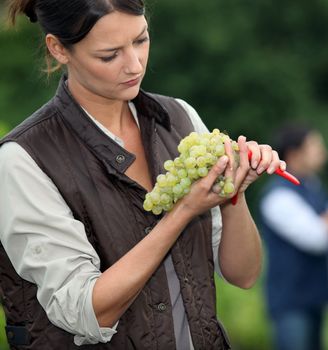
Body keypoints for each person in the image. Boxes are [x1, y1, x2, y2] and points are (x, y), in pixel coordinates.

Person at [0, 1, 286, 349]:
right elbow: (87, 312)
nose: (134, 65)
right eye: (110, 55)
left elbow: (244, 274)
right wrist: (182, 212)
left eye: (141, 40)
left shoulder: (180, 118)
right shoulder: (22, 159)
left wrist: (233, 192)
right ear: (59, 49)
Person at [259, 124, 328, 350]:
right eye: (315, 146)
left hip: (313, 301)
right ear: (294, 154)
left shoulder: (312, 186)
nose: (323, 152)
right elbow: (318, 237)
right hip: (291, 305)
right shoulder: (278, 197)